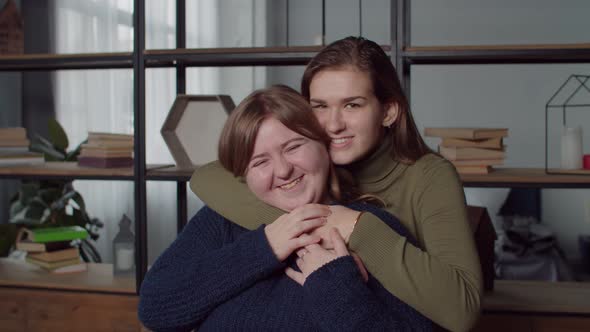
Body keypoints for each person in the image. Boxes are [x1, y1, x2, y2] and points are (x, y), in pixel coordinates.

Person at [190, 37, 483, 331]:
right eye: (319, 106)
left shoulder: (429, 175)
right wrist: (318, 223)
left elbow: (462, 309)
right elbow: (207, 177)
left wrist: (357, 227)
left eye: (352, 105)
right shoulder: (306, 165)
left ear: (388, 112)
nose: (333, 125)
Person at [138, 85, 432, 331]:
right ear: (244, 175)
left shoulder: (372, 230)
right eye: (259, 162)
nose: (282, 170)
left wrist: (336, 285)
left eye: (293, 147)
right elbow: (155, 308)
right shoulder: (223, 219)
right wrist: (263, 248)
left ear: (324, 146)